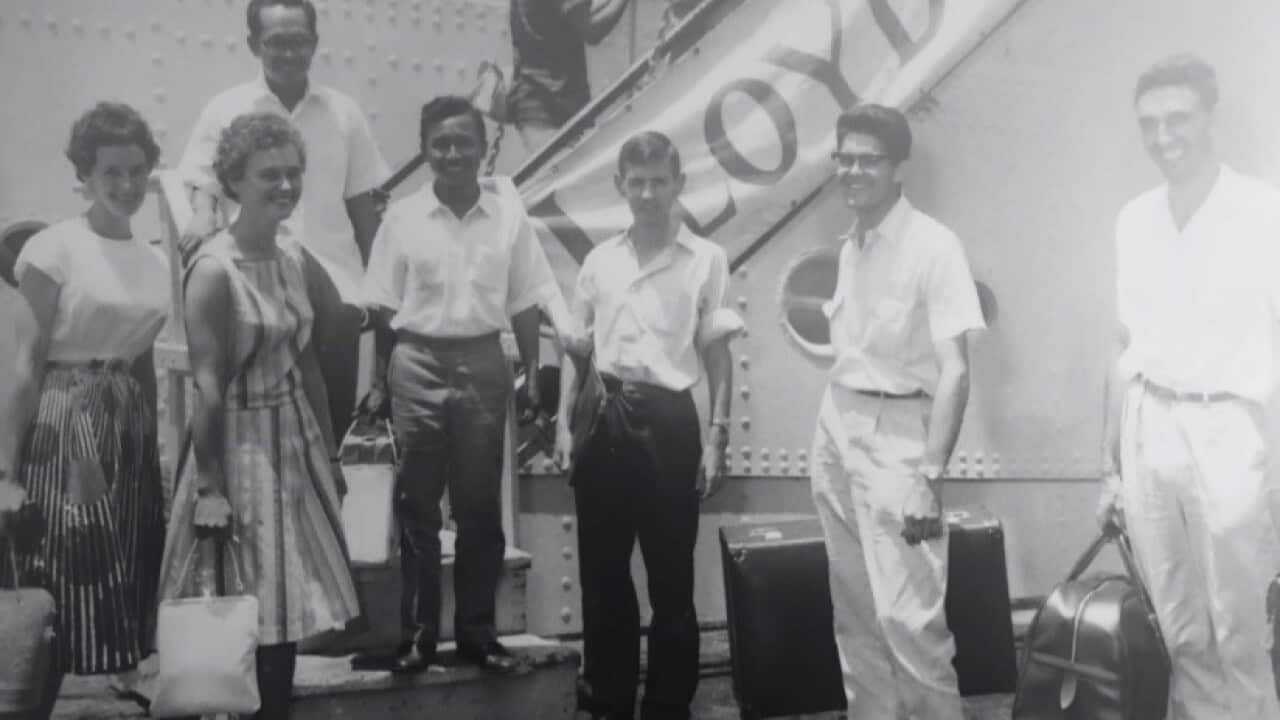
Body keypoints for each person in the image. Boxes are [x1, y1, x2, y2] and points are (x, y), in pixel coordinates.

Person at [362, 95, 575, 675]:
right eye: (441, 144)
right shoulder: (402, 218)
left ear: (483, 149)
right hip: (418, 364)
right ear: (426, 150)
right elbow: (382, 306)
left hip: (485, 364)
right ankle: (418, 637)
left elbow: (527, 299)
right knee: (416, 506)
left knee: (479, 509)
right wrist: (387, 379)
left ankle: (479, 634)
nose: (453, 153)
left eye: (464, 142)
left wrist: (531, 373)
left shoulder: (509, 216)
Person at [157, 112, 360, 719]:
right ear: (233, 182)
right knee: (241, 603)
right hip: (239, 448)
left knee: (287, 604)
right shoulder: (214, 271)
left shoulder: (292, 259)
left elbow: (312, 366)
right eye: (268, 174)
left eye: (293, 173)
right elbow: (209, 388)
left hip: (293, 441)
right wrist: (211, 488)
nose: (285, 186)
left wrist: (328, 453)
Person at [1098, 54, 1280, 719]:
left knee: (1242, 628)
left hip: (1231, 429)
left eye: (1178, 119)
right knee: (1179, 629)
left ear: (1212, 117)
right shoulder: (1133, 219)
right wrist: (1108, 465)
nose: (1163, 137)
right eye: (1149, 124)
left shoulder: (1265, 211)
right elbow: (1121, 347)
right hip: (1150, 426)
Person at [552, 131, 741, 720]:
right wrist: (563, 425)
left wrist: (716, 436)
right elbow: (577, 351)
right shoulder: (599, 261)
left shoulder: (705, 258)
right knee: (603, 575)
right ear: (620, 188)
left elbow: (716, 355)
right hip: (603, 417)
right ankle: (609, 698)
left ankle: (667, 704)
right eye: (636, 183)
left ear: (679, 185)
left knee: (670, 580)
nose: (648, 194)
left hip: (670, 424)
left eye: (660, 181)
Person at [809, 104, 984, 718]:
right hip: (839, 428)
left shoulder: (933, 246)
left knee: (909, 621)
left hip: (900, 439)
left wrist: (928, 479)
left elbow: (956, 369)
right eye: (845, 158)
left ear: (898, 167)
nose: (854, 171)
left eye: (869, 160)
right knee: (855, 618)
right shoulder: (854, 245)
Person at [0, 102, 169, 694]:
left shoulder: (153, 258)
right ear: (85, 176)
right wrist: (5, 469)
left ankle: (123, 677)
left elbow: (142, 355)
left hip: (127, 414)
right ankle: (49, 684)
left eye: (137, 172)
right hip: (65, 412)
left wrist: (155, 443)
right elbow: (23, 363)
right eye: (111, 173)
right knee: (72, 551)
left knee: (131, 542)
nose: (126, 185)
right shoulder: (53, 248)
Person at [178, 0, 390, 437]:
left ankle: (328, 474)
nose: (289, 53)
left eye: (299, 41)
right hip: (255, 282)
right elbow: (203, 181)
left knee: (330, 418)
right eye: (277, 42)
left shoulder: (343, 113)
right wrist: (202, 213)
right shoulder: (227, 108)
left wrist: (381, 283)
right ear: (254, 43)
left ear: (314, 43)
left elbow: (362, 208)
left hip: (334, 282)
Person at [509, 0, 633, 153]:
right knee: (556, 172)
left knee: (557, 172)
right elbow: (593, 30)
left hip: (540, 101)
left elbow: (579, 13)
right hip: (548, 106)